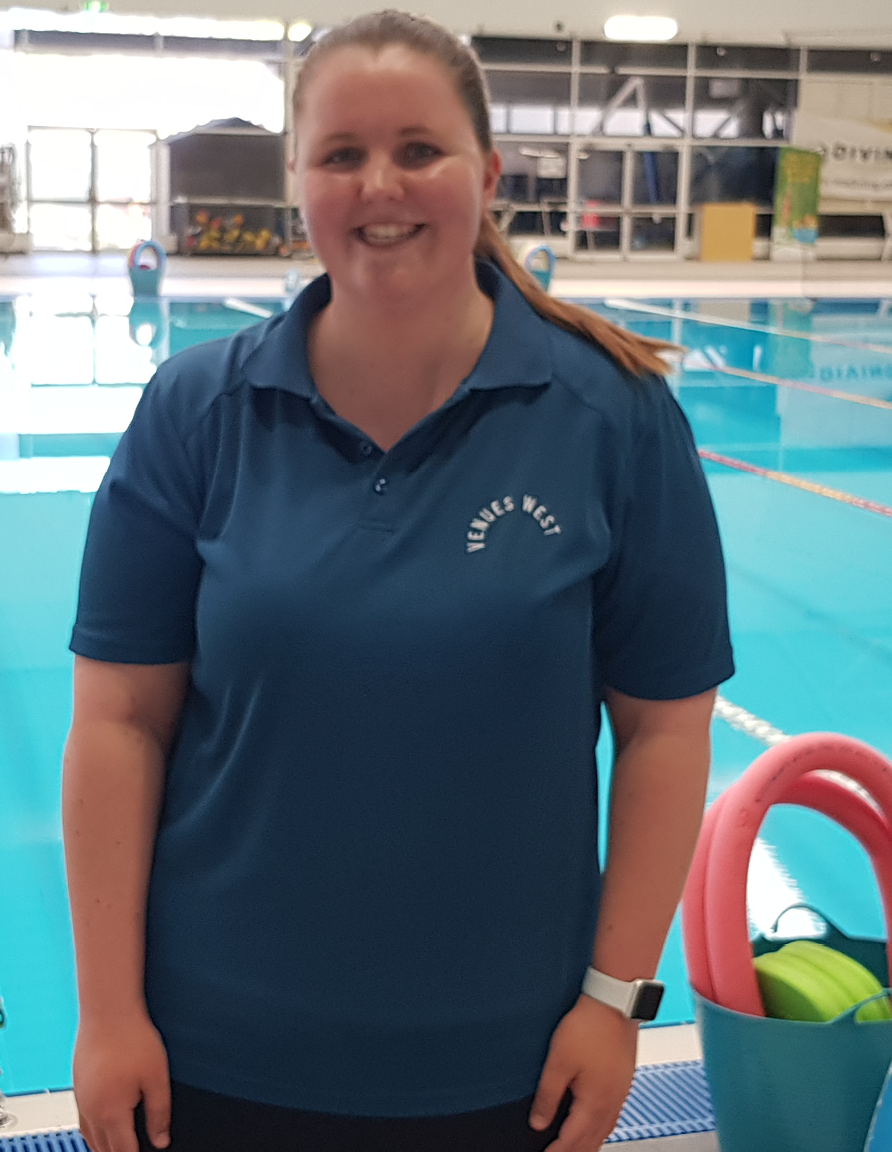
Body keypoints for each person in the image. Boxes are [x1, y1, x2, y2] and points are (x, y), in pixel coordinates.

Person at [61, 11, 733, 1151]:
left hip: (507, 1068)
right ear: (299, 180)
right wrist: (108, 1014)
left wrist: (615, 1000)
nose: (382, 185)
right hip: (215, 1055)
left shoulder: (611, 418)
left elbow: (664, 731)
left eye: (418, 149)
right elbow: (119, 721)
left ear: (486, 170)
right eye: (341, 154)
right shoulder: (196, 413)